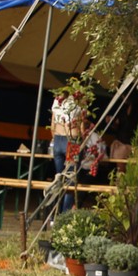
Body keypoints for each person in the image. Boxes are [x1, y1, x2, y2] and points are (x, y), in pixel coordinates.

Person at [49, 79, 90, 213]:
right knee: (70, 182)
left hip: (57, 140)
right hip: (72, 140)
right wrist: (84, 142)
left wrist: (55, 139)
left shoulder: (57, 100)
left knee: (59, 179)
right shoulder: (80, 101)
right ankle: (64, 215)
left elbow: (52, 125)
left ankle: (54, 215)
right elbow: (82, 127)